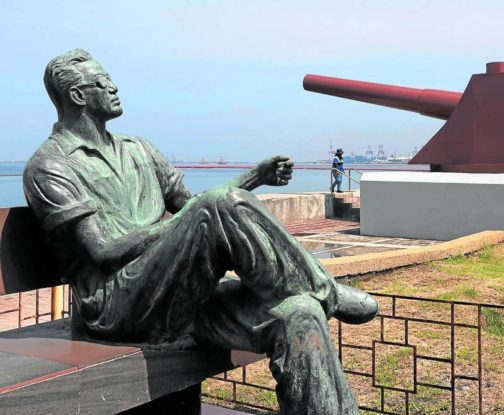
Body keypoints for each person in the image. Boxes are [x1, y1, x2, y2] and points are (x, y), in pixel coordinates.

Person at [23, 49, 378, 415]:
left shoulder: (139, 149)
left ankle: (318, 312)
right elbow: (103, 251)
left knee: (300, 313)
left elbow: (191, 204)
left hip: (179, 296)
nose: (114, 87)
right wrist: (189, 218)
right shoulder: (50, 167)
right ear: (78, 96)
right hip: (119, 308)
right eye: (103, 82)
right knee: (216, 207)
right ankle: (327, 290)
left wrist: (256, 177)